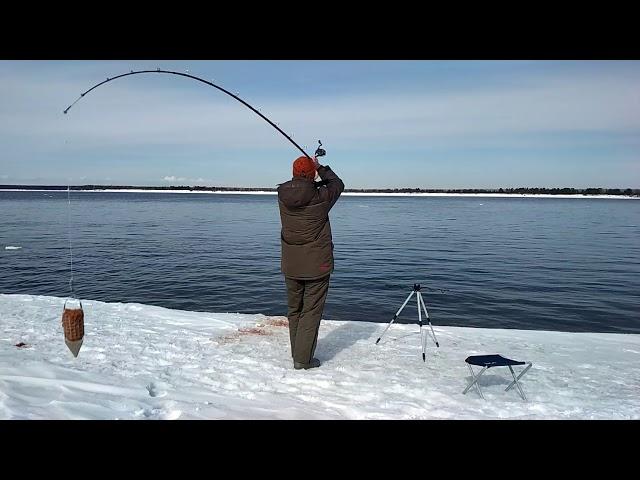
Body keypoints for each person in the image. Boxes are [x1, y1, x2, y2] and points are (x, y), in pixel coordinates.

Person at [277, 154, 344, 370]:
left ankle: (299, 353)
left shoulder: (282, 195)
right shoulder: (320, 197)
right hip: (316, 265)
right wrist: (320, 168)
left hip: (291, 263)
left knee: (295, 309)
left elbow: (303, 189)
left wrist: (311, 171)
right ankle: (303, 360)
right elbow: (337, 184)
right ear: (311, 174)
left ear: (293, 173)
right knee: (310, 311)